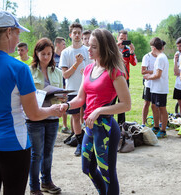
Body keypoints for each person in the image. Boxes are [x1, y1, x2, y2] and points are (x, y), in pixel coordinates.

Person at [0, 11, 63, 195]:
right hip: (12, 143)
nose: (19, 38)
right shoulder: (18, 68)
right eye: (18, 33)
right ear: (9, 32)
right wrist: (52, 110)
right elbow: (33, 114)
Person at [60, 28, 131, 195]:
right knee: (87, 168)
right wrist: (67, 106)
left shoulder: (114, 71)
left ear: (104, 48)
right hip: (90, 127)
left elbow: (126, 105)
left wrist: (99, 110)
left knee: (107, 173)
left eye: (93, 47)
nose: (88, 50)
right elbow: (80, 99)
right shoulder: (88, 69)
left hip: (106, 127)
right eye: (88, 46)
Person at [27, 38, 62, 195]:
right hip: (35, 117)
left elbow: (62, 93)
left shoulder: (58, 72)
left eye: (49, 54)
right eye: (43, 54)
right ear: (36, 53)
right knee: (36, 153)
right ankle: (34, 186)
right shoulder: (29, 71)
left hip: (53, 117)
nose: (47, 57)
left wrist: (63, 98)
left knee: (48, 152)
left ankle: (46, 181)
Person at [59, 22, 92, 156]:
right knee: (75, 116)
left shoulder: (87, 50)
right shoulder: (66, 52)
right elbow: (65, 75)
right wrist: (76, 64)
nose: (77, 35)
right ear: (70, 35)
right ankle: (79, 143)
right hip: (72, 90)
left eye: (79, 32)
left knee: (89, 116)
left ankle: (89, 142)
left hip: (87, 89)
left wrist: (87, 72)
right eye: (75, 33)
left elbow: (94, 69)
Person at [144, 37, 169, 138]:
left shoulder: (160, 58)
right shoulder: (161, 57)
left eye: (151, 47)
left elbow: (158, 75)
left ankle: (163, 130)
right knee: (154, 106)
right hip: (156, 88)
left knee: (162, 108)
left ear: (153, 47)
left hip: (160, 88)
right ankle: (156, 127)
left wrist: (148, 77)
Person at [113, 29, 137, 124]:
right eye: (121, 38)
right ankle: (109, 123)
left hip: (124, 79)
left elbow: (134, 63)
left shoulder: (127, 50)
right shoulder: (112, 49)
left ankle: (121, 125)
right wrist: (115, 47)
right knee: (111, 102)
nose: (123, 41)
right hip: (112, 78)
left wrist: (132, 52)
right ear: (117, 38)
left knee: (122, 103)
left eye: (125, 39)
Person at [54, 37, 71, 134]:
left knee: (64, 103)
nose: (65, 46)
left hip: (64, 84)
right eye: (63, 44)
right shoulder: (52, 56)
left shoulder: (65, 56)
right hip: (54, 84)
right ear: (58, 44)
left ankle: (64, 126)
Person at [141, 45, 157, 127]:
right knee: (147, 103)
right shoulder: (147, 57)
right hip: (149, 84)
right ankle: (143, 123)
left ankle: (158, 123)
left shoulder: (161, 56)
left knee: (157, 105)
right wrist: (155, 72)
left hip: (158, 84)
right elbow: (143, 71)